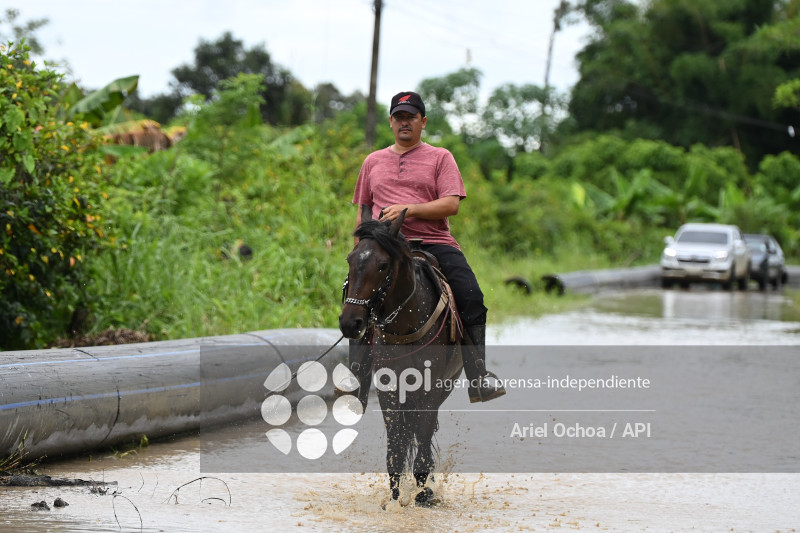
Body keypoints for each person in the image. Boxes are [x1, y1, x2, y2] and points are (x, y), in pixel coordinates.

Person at [348, 90, 505, 405]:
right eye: (398, 117)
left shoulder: (441, 157)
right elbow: (362, 209)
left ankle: (478, 375)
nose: (404, 123)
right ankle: (356, 380)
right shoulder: (372, 161)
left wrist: (411, 209)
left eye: (410, 117)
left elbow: (451, 205)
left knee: (471, 296)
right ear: (391, 122)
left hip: (434, 242)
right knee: (353, 298)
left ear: (423, 122)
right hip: (383, 247)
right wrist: (360, 251)